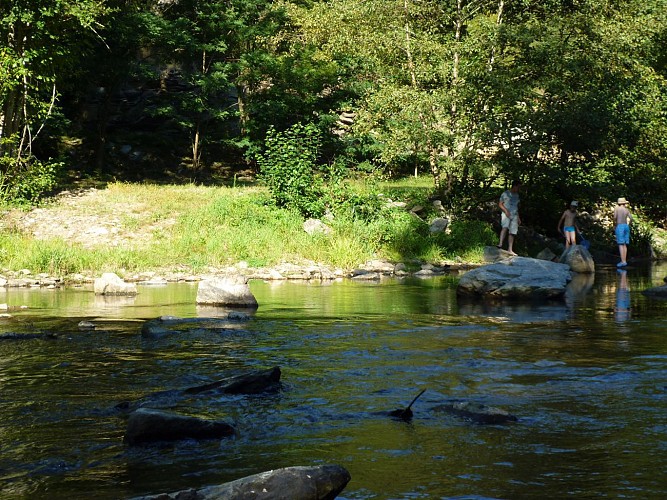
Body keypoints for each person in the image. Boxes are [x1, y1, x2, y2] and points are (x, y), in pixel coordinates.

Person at [497, 180, 521, 255]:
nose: (519, 189)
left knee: (512, 232)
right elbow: (500, 204)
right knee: (505, 227)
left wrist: (518, 218)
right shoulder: (505, 194)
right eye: (518, 187)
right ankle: (500, 244)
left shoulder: (517, 195)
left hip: (514, 214)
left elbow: (516, 207)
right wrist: (506, 211)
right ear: (514, 186)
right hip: (506, 213)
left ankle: (510, 249)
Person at [613, 197, 633, 267]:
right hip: (626, 226)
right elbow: (631, 218)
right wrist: (628, 225)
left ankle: (623, 261)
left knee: (621, 244)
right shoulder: (626, 209)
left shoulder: (617, 209)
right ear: (624, 203)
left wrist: (614, 225)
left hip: (619, 226)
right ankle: (625, 261)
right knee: (624, 244)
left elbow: (615, 217)